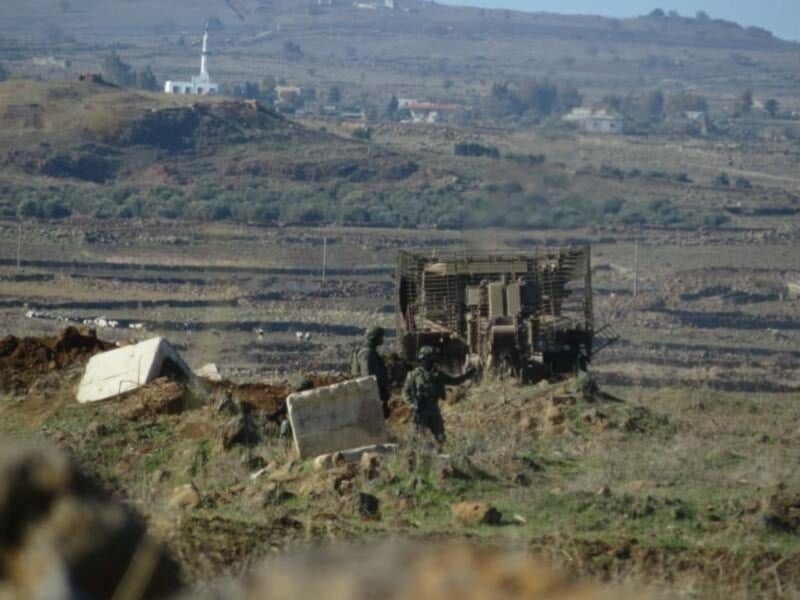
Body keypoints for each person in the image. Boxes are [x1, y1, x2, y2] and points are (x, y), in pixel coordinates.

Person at [402, 346, 476, 448]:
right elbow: (405, 391)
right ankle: (416, 456)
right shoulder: (414, 375)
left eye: (433, 358)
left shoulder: (438, 374)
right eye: (430, 358)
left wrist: (467, 375)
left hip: (433, 410)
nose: (432, 361)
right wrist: (410, 404)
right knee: (416, 440)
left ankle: (443, 455)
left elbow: (454, 381)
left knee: (441, 438)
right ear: (423, 359)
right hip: (419, 410)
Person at [359, 326, 391, 417]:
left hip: (378, 393)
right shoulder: (367, 353)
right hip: (374, 395)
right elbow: (367, 377)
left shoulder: (372, 352)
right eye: (380, 337)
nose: (382, 339)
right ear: (373, 338)